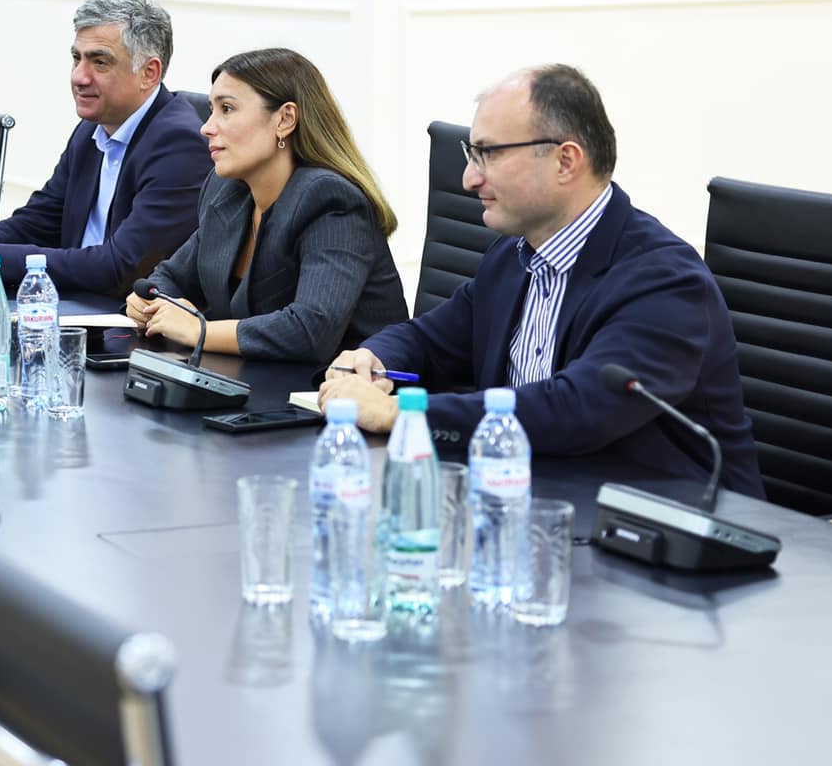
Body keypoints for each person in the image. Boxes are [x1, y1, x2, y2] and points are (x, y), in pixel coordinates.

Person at [318, 64, 763, 494]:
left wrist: (401, 413)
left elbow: (578, 409)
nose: (469, 178)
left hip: (673, 521)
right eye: (472, 154)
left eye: (488, 154)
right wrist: (372, 358)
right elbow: (432, 340)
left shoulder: (665, 280)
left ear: (565, 161)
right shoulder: (513, 256)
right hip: (532, 494)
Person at [126, 48, 407, 376]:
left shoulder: (331, 200)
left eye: (227, 109)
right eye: (212, 110)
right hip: (258, 380)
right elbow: (169, 278)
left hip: (346, 391)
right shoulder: (227, 190)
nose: (207, 127)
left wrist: (199, 330)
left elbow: (310, 331)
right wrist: (151, 303)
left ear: (285, 119)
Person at [0, 0, 208, 297]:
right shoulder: (92, 129)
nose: (79, 77)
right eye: (76, 58)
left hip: (122, 314)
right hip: (74, 299)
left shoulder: (179, 145)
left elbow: (121, 267)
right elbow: (43, 218)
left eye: (100, 62)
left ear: (149, 73)